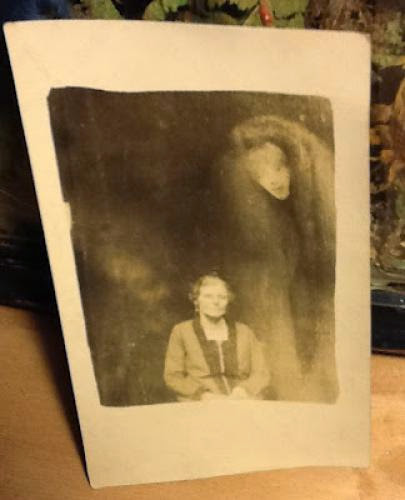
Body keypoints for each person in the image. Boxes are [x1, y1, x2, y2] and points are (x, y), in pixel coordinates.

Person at [219, 114, 338, 402]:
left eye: (279, 168)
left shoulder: (318, 187)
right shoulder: (268, 221)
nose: (272, 180)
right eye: (261, 176)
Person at [164, 273, 269, 401]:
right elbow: (173, 377)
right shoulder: (182, 331)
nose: (216, 302)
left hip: (242, 401)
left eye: (222, 297)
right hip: (201, 402)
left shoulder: (245, 332)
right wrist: (202, 395)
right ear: (196, 301)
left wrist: (244, 390)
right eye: (208, 296)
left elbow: (261, 373)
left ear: (228, 301)